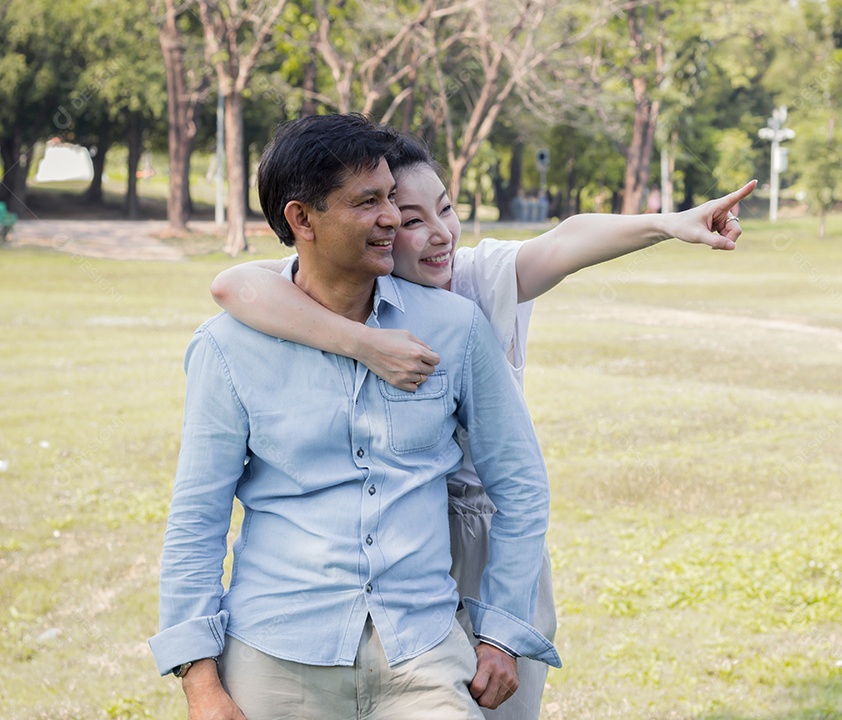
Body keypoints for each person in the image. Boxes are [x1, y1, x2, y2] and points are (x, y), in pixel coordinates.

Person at [211, 135, 755, 720]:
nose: (438, 232)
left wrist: (668, 224)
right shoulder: (339, 288)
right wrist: (366, 344)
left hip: (488, 531)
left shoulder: (475, 281)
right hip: (403, 541)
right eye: (409, 219)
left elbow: (567, 237)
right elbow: (233, 285)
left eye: (445, 208)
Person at [149, 113, 559, 720]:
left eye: (391, 197)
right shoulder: (228, 349)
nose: (393, 217)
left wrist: (502, 632)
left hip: (423, 655)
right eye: (368, 203)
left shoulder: (454, 328)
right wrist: (202, 684)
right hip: (275, 654)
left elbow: (521, 486)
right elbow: (196, 519)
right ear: (301, 219)